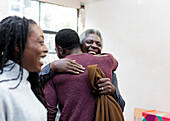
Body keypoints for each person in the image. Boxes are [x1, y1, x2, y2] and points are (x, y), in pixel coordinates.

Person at [44, 28, 122, 121]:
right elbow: (115, 62)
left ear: (60, 50)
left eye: (98, 44)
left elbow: (50, 112)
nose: (94, 46)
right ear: (80, 45)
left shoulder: (54, 72)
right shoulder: (107, 62)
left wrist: (113, 92)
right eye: (89, 42)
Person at [0, 16, 48, 121]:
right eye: (40, 42)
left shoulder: (27, 83)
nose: (46, 49)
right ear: (18, 46)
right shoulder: (3, 90)